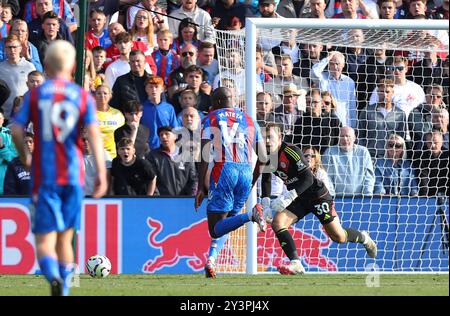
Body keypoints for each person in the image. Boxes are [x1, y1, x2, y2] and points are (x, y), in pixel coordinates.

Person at [10, 40, 107, 296]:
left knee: (44, 239)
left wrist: (25, 156)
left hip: (44, 175)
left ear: (48, 66)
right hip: (74, 175)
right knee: (66, 238)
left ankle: (52, 276)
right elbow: (95, 136)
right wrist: (101, 172)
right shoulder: (82, 96)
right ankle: (63, 289)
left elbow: (16, 129)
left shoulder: (36, 94)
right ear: (73, 65)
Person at [257, 122, 377, 275]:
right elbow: (266, 179)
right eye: (264, 138)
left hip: (317, 195)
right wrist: (266, 202)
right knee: (278, 223)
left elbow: (308, 179)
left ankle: (364, 238)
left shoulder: (291, 151)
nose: (267, 141)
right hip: (300, 198)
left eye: (270, 137)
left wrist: (289, 196)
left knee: (338, 237)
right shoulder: (267, 155)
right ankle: (296, 263)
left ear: (280, 137)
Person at [194, 87, 267, 278]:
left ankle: (251, 215)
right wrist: (251, 182)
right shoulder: (250, 120)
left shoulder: (209, 118)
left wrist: (201, 186)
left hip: (224, 170)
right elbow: (264, 158)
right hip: (245, 171)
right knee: (227, 223)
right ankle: (211, 261)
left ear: (216, 102)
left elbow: (203, 155)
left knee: (215, 229)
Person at [322, 126, 375, 196]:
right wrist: (332, 198)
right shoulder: (330, 153)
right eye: (342, 136)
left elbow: (369, 177)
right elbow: (328, 178)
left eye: (348, 136)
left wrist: (367, 197)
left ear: (354, 138)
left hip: (361, 200)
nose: (345, 139)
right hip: (337, 199)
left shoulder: (363, 152)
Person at [146, 125, 197, 196]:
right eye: (161, 135)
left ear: (175, 136)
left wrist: (190, 198)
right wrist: (157, 198)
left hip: (184, 201)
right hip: (163, 201)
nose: (163, 137)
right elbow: (152, 179)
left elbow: (193, 179)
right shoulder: (152, 156)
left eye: (167, 134)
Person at [0, 35, 36, 120]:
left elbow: (35, 89)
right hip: (4, 116)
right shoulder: (0, 67)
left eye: (15, 47)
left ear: (20, 49)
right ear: (5, 49)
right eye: (9, 47)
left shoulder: (29, 67)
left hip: (24, 115)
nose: (12, 50)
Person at [141, 75, 179, 150]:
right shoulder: (141, 108)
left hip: (166, 148)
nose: (154, 90)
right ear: (146, 89)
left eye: (156, 87)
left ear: (163, 89)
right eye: (151, 87)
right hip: (148, 149)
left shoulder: (169, 108)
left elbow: (175, 129)